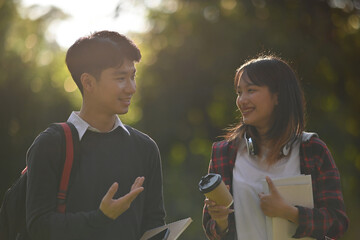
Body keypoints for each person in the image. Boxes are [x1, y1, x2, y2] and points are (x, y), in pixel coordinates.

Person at [26, 30, 166, 239]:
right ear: (88, 82)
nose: (132, 88)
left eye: (133, 76)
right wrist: (100, 217)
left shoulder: (145, 148)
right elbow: (38, 228)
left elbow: (155, 225)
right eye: (121, 78)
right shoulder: (51, 144)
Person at [202, 55, 349, 240]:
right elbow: (212, 230)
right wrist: (221, 221)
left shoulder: (313, 150)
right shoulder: (224, 153)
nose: (242, 100)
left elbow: (337, 223)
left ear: (278, 96)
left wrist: (289, 212)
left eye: (251, 90)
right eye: (239, 92)